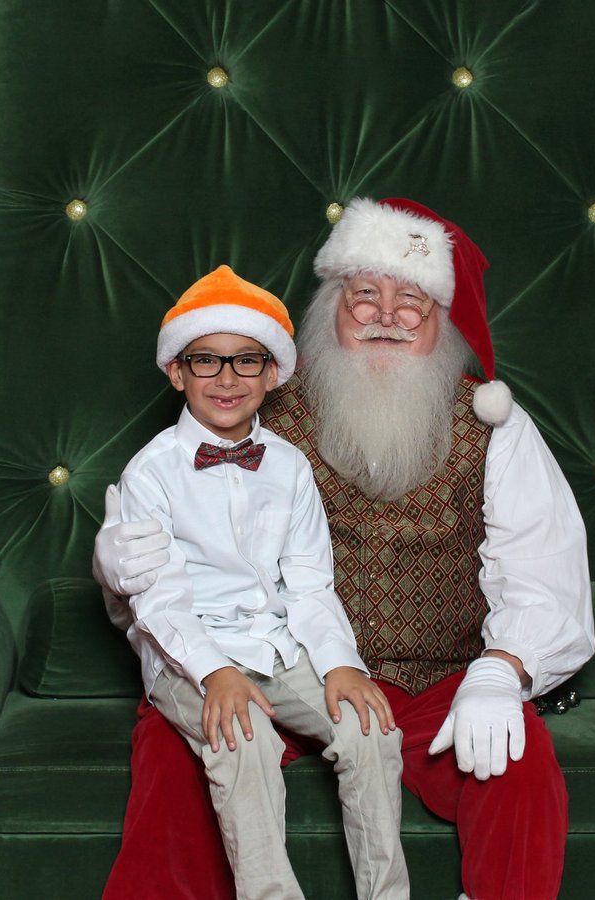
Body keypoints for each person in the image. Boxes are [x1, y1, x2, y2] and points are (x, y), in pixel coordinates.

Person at [96, 199, 595, 900]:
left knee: (519, 760)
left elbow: (546, 572)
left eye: (412, 302)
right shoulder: (247, 408)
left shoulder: (496, 426)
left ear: (442, 323)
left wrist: (504, 671)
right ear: (330, 310)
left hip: (435, 682)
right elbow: (161, 573)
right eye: (365, 296)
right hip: (273, 660)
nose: (386, 315)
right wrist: (119, 573)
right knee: (177, 756)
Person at [107, 265, 410, 900]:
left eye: (247, 361)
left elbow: (308, 583)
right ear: (176, 371)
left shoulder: (291, 466)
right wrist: (215, 673)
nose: (226, 379)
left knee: (371, 727)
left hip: (276, 642)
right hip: (190, 651)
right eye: (207, 361)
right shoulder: (151, 472)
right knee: (244, 740)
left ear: (273, 376)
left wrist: (340, 664)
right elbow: (158, 599)